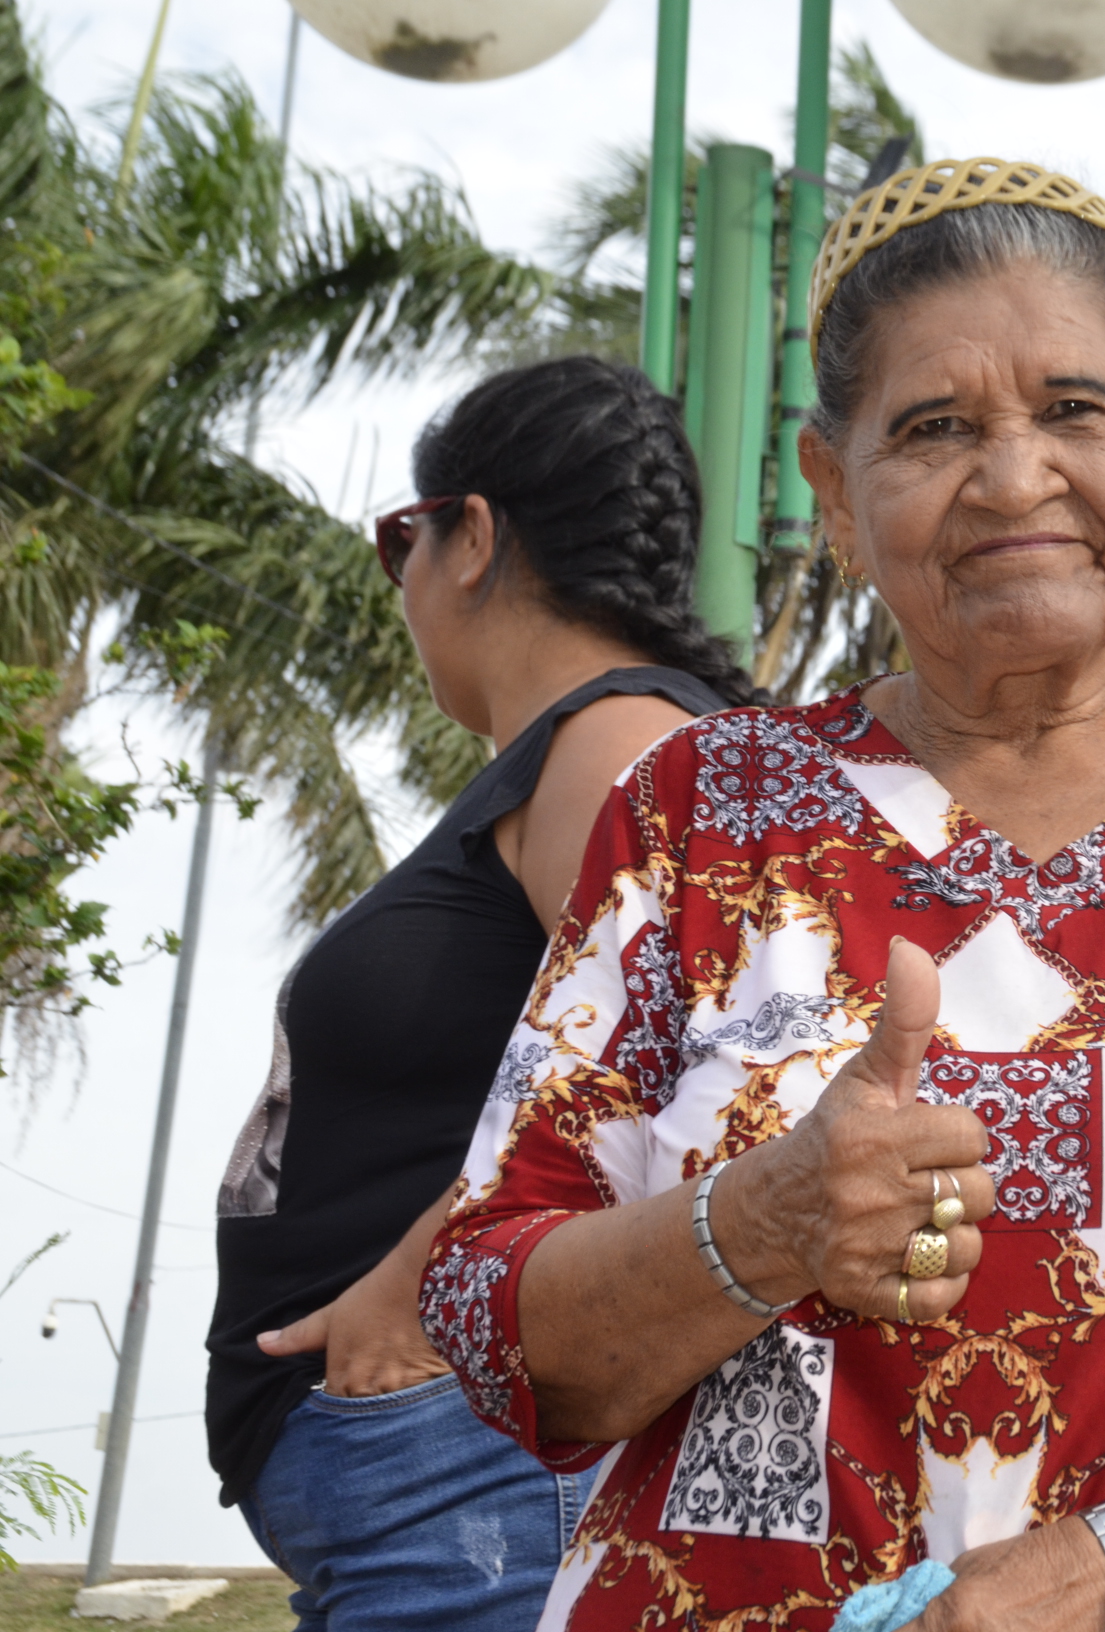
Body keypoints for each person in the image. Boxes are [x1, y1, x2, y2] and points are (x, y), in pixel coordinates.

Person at [419, 158, 1105, 1632]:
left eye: (1076, 410)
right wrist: (761, 1222)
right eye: (934, 428)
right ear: (836, 486)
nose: (1015, 478)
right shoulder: (705, 807)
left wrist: (1100, 1576)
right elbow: (493, 1295)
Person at [207, 356, 760, 1631]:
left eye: (398, 539)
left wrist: (411, 1291)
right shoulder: (593, 751)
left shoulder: (615, 740)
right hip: (436, 1475)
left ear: (471, 537)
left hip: (471, 1461)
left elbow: (709, 1084)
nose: (399, 580)